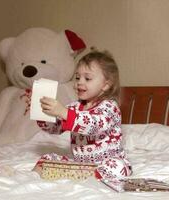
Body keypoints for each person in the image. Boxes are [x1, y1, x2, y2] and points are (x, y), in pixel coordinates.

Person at [33, 49, 132, 180]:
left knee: (118, 166)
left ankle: (88, 176)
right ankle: (35, 176)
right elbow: (55, 128)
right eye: (78, 77)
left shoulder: (109, 107)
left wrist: (64, 112)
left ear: (105, 85)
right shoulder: (74, 107)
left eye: (88, 78)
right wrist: (43, 114)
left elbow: (94, 125)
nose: (80, 82)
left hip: (105, 162)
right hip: (81, 164)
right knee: (47, 159)